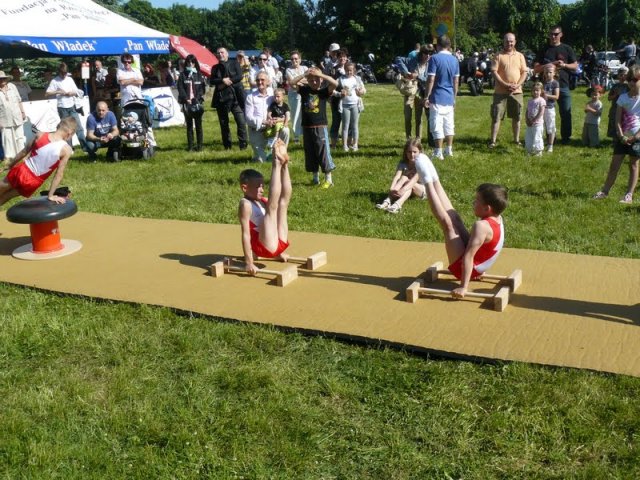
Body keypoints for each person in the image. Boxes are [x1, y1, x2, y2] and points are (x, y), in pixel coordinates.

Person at [415, 154, 508, 298]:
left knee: (448, 225)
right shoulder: (497, 218)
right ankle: (435, 179)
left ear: (487, 208)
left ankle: (427, 182)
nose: (473, 203)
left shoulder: (481, 226)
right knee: (456, 219)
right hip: (478, 265)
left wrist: (463, 287)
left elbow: (469, 257)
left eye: (477, 200)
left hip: (464, 268)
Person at [238, 139, 291, 274]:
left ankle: (284, 165)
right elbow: (245, 234)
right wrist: (249, 262)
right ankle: (276, 164)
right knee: (272, 208)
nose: (261, 190)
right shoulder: (245, 204)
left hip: (276, 244)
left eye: (263, 186)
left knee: (282, 204)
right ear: (245, 188)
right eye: (258, 187)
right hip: (263, 247)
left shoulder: (262, 200)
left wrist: (277, 253)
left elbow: (283, 198)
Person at [0, 117, 76, 206]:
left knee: (2, 188)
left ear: (58, 126)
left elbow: (23, 152)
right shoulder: (66, 150)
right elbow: (59, 174)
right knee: (7, 196)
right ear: (70, 133)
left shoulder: (40, 135)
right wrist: (50, 195)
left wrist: (10, 165)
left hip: (22, 171)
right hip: (34, 182)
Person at [593, 65, 640, 204]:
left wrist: (636, 137)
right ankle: (605, 191)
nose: (631, 82)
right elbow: (617, 119)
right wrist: (620, 135)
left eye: (635, 79)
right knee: (614, 165)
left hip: (637, 138)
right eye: (629, 79)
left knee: (633, 165)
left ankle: (629, 195)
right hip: (622, 137)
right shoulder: (622, 98)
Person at [289, 67, 339, 187]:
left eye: (316, 79)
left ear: (321, 80)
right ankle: (315, 178)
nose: (314, 82)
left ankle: (328, 179)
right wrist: (304, 75)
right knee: (310, 152)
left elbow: (335, 83)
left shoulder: (323, 92)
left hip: (320, 126)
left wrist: (321, 75)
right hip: (307, 126)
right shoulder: (304, 90)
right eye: (311, 80)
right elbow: (291, 83)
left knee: (322, 151)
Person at [534, 26, 578, 144]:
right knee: (546, 113)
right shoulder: (544, 49)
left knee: (566, 113)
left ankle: (566, 138)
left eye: (556, 34)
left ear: (561, 34)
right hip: (547, 87)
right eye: (551, 34)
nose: (553, 36)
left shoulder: (567, 48)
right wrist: (552, 64)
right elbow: (536, 69)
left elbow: (575, 66)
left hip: (563, 85)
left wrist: (564, 65)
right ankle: (549, 138)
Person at [488, 33, 528, 148]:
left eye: (511, 41)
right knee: (496, 117)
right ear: (503, 42)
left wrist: (517, 85)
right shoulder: (498, 55)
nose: (509, 43)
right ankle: (493, 141)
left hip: (517, 91)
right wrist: (505, 84)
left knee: (517, 117)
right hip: (500, 92)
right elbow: (494, 72)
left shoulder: (520, 56)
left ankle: (516, 140)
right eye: (507, 41)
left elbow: (524, 72)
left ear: (515, 42)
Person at [423, 35, 459, 160]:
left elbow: (431, 79)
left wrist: (426, 96)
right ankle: (449, 149)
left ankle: (438, 151)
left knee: (436, 124)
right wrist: (454, 97)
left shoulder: (434, 58)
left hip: (437, 96)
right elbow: (456, 81)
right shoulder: (455, 59)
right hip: (449, 96)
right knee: (449, 125)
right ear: (449, 46)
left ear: (437, 45)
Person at [210, 47, 248, 151]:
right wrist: (222, 80)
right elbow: (212, 81)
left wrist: (227, 82)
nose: (220, 54)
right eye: (218, 53)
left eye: (222, 52)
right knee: (224, 124)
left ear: (227, 54)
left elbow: (239, 76)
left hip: (235, 97)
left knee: (241, 122)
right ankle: (227, 146)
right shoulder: (215, 67)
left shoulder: (235, 63)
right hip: (221, 98)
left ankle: (243, 145)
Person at [376, 137, 426, 214]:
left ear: (420, 152)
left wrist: (403, 190)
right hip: (408, 188)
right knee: (404, 177)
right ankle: (387, 202)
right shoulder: (403, 163)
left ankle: (397, 204)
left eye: (415, 152)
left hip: (421, 190)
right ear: (405, 152)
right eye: (409, 152)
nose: (412, 154)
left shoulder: (421, 164)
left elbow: (414, 180)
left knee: (408, 182)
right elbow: (397, 176)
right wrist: (392, 188)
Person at [45, 62, 87, 153]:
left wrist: (72, 93)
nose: (64, 75)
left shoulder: (69, 79)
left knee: (78, 127)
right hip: (62, 107)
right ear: (59, 72)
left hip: (71, 106)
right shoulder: (55, 81)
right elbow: (47, 93)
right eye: (62, 73)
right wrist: (58, 92)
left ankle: (85, 147)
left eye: (65, 73)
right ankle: (69, 148)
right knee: (66, 129)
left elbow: (76, 91)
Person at [245, 72, 286, 163]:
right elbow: (248, 118)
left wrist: (279, 119)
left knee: (285, 130)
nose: (260, 82)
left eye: (262, 80)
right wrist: (265, 122)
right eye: (257, 80)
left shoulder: (273, 95)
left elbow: (284, 110)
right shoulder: (250, 97)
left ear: (268, 81)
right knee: (262, 161)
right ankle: (261, 155)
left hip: (273, 129)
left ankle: (282, 153)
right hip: (257, 131)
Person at [177, 54, 206, 151]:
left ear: (195, 63)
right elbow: (180, 88)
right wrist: (186, 99)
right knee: (189, 125)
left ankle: (200, 146)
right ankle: (190, 146)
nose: (190, 64)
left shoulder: (199, 75)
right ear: (186, 63)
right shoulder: (182, 75)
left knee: (198, 125)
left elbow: (202, 89)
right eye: (189, 62)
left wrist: (196, 99)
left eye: (192, 62)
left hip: (197, 102)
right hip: (187, 103)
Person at [338, 62, 365, 151]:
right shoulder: (341, 79)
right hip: (345, 105)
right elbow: (333, 90)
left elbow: (363, 90)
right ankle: (344, 145)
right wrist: (340, 94)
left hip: (355, 104)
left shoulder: (357, 79)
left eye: (351, 70)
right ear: (344, 70)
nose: (349, 72)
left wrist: (361, 92)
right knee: (345, 126)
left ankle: (355, 144)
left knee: (355, 126)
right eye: (347, 70)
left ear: (354, 71)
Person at [0, 70, 27, 162]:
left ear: (6, 79)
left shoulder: (12, 86)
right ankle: (9, 157)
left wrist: (22, 112)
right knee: (7, 139)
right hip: (4, 119)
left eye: (3, 78)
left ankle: (21, 155)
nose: (2, 80)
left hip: (17, 116)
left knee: (20, 137)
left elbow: (19, 100)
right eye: (0, 79)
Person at [285, 50, 308, 142]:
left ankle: (306, 133)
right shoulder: (288, 70)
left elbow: (308, 81)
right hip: (294, 95)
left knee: (306, 114)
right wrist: (302, 81)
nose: (294, 60)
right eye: (292, 59)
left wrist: (297, 81)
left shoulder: (305, 68)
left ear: (300, 59)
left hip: (305, 94)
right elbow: (292, 83)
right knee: (296, 115)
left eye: (296, 58)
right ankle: (296, 137)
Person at [329, 49, 348, 148]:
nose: (342, 58)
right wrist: (338, 94)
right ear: (337, 58)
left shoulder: (350, 68)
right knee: (336, 121)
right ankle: (333, 144)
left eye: (344, 56)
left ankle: (348, 143)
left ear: (347, 58)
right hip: (336, 99)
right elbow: (331, 85)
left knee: (349, 122)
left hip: (349, 100)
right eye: (340, 56)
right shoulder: (334, 69)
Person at [542, 64, 559, 152]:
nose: (548, 74)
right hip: (541, 107)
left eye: (550, 72)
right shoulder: (542, 83)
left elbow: (556, 96)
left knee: (551, 126)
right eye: (546, 72)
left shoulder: (555, 83)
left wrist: (546, 95)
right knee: (541, 126)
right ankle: (542, 142)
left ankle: (550, 145)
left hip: (550, 108)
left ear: (554, 73)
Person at [525, 82, 546, 156]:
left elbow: (541, 111)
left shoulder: (541, 100)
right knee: (529, 137)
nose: (535, 92)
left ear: (541, 91)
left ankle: (538, 151)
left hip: (537, 124)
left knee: (537, 137)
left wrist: (534, 120)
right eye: (533, 90)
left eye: (537, 90)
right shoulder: (530, 101)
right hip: (529, 124)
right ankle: (529, 150)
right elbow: (527, 111)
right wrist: (527, 119)